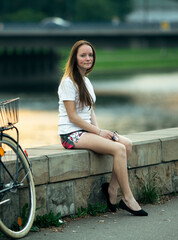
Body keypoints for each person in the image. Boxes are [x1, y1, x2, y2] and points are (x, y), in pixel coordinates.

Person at [57, 40, 148, 216]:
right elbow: (72, 117)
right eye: (83, 55)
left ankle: (112, 190)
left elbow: (90, 112)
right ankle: (128, 199)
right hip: (71, 134)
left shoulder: (86, 81)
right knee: (119, 148)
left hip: (86, 131)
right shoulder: (68, 82)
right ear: (74, 58)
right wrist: (98, 133)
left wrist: (99, 133)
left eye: (90, 55)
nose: (87, 58)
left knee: (127, 144)